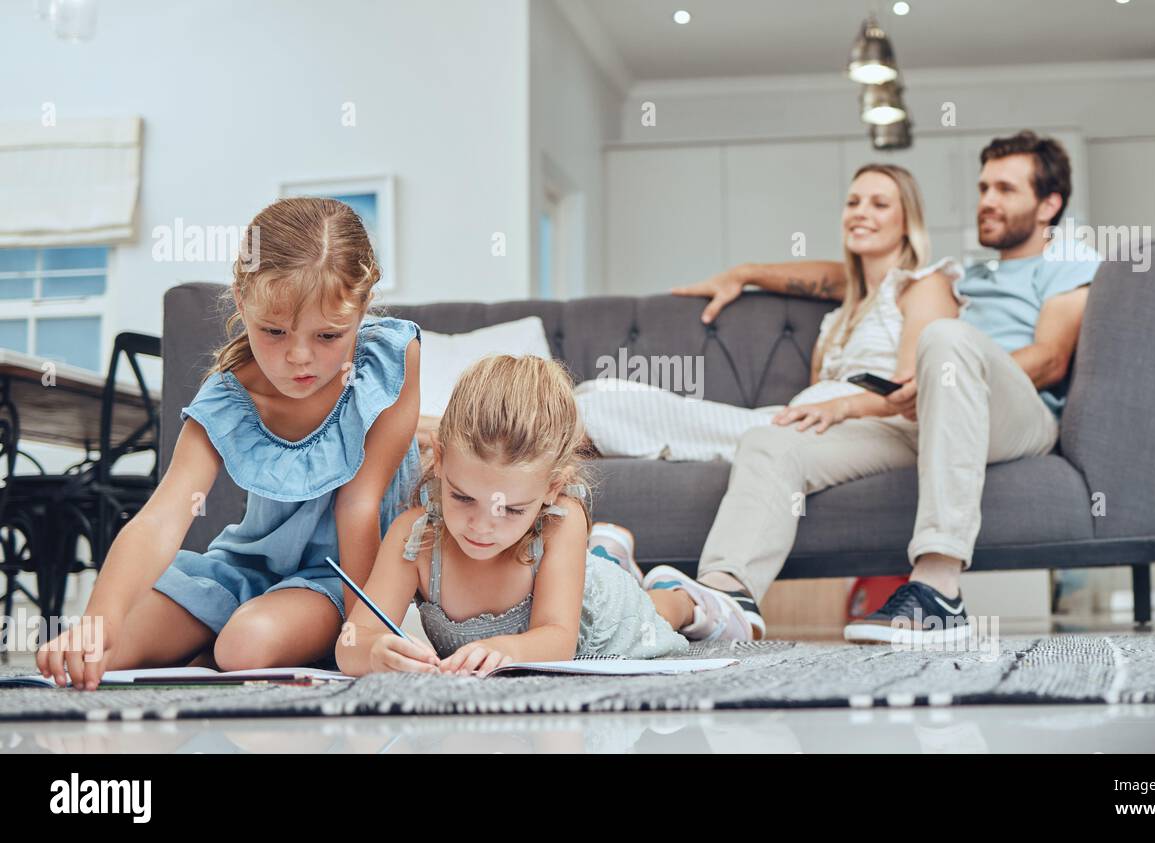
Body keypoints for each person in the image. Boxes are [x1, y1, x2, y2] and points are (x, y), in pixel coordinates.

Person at [671, 131, 1101, 644]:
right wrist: (747, 272)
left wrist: (940, 375)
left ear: (1049, 204)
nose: (986, 200)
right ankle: (727, 595)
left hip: (1015, 418)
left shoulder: (1067, 260)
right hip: (930, 415)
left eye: (1005, 190)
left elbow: (1051, 359)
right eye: (984, 187)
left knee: (945, 338)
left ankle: (939, 590)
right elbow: (848, 277)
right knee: (771, 440)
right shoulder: (968, 276)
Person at [36, 197, 422, 689]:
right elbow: (161, 517)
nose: (299, 358)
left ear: (363, 308)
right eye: (274, 331)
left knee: (246, 646)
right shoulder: (227, 397)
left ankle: (212, 655)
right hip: (243, 569)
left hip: (339, 578)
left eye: (327, 335)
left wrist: (361, 637)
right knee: (107, 650)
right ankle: (201, 653)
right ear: (241, 303)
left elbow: (359, 506)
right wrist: (98, 620)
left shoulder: (391, 361)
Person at [577, 164, 961, 640]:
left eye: (880, 204)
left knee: (620, 410)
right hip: (813, 421)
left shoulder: (925, 284)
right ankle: (613, 583)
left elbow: (912, 388)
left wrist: (839, 408)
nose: (861, 213)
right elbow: (820, 276)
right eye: (853, 202)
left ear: (909, 222)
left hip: (879, 424)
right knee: (604, 397)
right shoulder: (850, 299)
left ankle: (716, 594)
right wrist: (744, 274)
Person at [336, 354, 776, 678]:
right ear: (441, 463)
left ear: (550, 489)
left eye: (511, 509)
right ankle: (607, 553)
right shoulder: (414, 537)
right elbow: (352, 641)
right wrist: (376, 653)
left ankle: (686, 597)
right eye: (463, 498)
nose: (483, 525)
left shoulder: (560, 519)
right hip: (571, 578)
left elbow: (558, 637)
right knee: (595, 571)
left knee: (651, 613)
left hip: (603, 622)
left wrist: (501, 648)